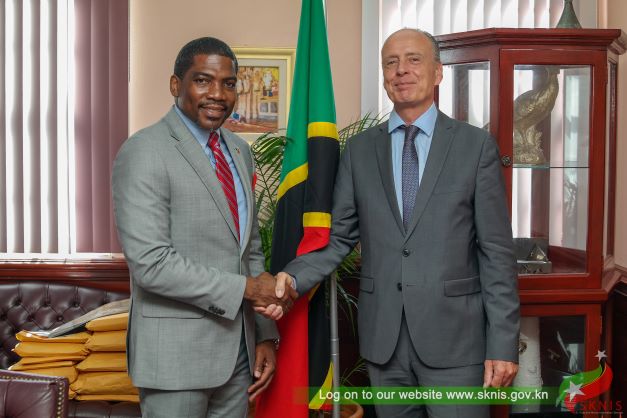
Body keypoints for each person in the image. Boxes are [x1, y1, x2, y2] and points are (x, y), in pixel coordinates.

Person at [266, 28, 520, 418]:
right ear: (384, 76)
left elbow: (496, 254)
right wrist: (293, 276)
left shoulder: (475, 146)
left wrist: (503, 344)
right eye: (391, 62)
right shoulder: (359, 150)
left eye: (414, 59)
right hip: (384, 344)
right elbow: (339, 237)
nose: (401, 70)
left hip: (456, 343)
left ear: (438, 72)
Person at [112, 37, 296, 418]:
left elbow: (249, 250)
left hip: (239, 357)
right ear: (175, 85)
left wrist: (265, 335)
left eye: (228, 83)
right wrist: (248, 289)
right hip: (175, 360)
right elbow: (151, 264)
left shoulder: (239, 151)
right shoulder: (144, 151)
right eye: (202, 80)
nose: (217, 94)